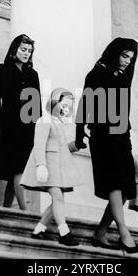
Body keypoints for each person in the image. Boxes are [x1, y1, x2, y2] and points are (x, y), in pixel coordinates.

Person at [75, 37, 138, 253]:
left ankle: (101, 232)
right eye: (124, 56)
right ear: (114, 53)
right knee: (115, 183)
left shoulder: (124, 76)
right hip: (103, 135)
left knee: (125, 188)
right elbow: (84, 104)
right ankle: (124, 232)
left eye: (131, 58)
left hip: (122, 134)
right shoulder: (96, 74)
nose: (127, 61)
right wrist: (79, 132)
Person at [20, 88, 84, 246]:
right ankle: (64, 232)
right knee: (58, 198)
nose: (65, 109)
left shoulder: (59, 123)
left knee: (58, 199)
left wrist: (76, 145)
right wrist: (41, 165)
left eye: (68, 106)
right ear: (55, 102)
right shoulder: (45, 120)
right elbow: (39, 144)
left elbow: (61, 147)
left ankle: (39, 229)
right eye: (63, 105)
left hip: (58, 168)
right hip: (48, 167)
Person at [0, 34, 41, 209]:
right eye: (23, 49)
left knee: (19, 169)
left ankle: (6, 209)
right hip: (8, 126)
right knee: (16, 169)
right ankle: (24, 209)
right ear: (14, 50)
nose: (27, 53)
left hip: (27, 128)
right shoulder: (1, 70)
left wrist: (38, 130)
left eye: (29, 51)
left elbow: (36, 105)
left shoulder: (32, 74)